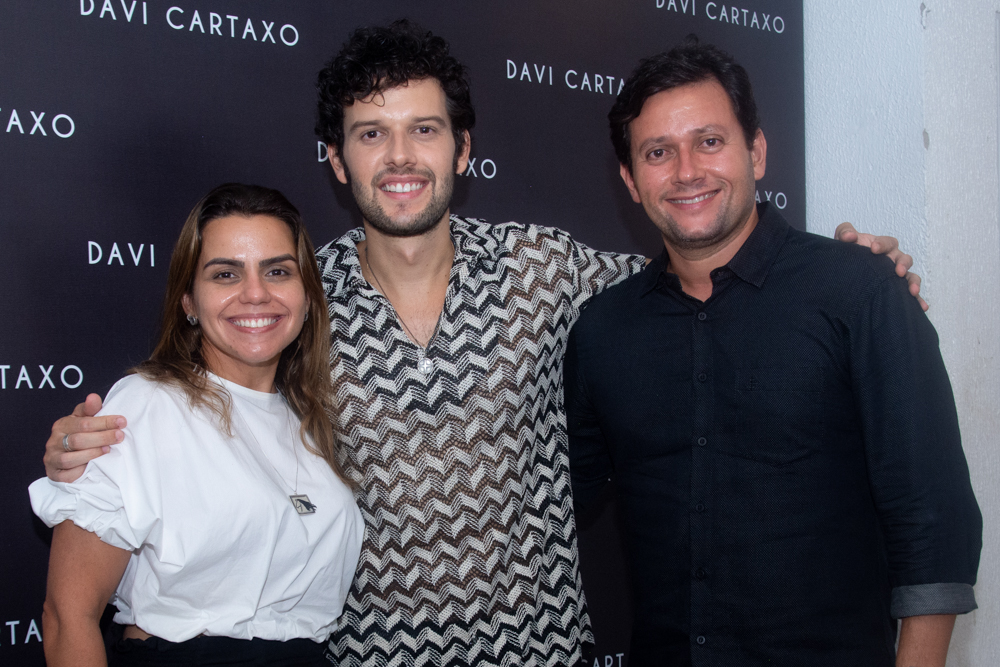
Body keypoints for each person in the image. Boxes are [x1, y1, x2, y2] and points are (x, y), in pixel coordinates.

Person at [41, 22, 923, 666]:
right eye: (370, 133)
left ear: (463, 148)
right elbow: (199, 419)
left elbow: (703, 269)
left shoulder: (553, 268)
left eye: (424, 129)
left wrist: (846, 265)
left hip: (543, 652)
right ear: (336, 161)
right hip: (361, 658)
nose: (400, 156)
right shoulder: (297, 297)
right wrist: (87, 448)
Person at [564, 39, 982, 666]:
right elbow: (551, 494)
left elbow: (933, 516)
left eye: (709, 141)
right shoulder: (603, 329)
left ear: (755, 152)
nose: (686, 172)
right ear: (630, 179)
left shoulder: (858, 291)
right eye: (658, 153)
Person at [29, 183, 364, 667]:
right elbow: (67, 617)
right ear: (188, 300)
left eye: (277, 271)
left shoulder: (310, 419)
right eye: (226, 274)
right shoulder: (145, 406)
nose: (255, 293)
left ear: (307, 295)